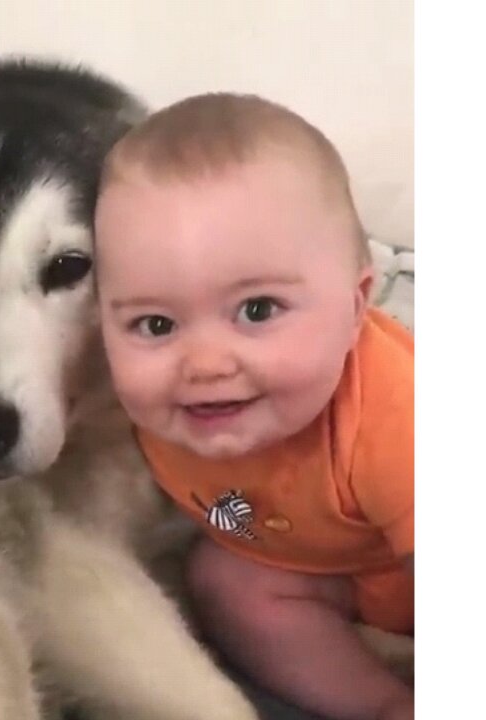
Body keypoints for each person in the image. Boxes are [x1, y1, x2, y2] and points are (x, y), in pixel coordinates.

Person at [93, 92, 414, 720]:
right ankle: (383, 705)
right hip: (325, 568)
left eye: (257, 311)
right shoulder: (120, 411)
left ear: (355, 309)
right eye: (156, 324)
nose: (205, 364)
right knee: (223, 583)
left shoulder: (397, 414)